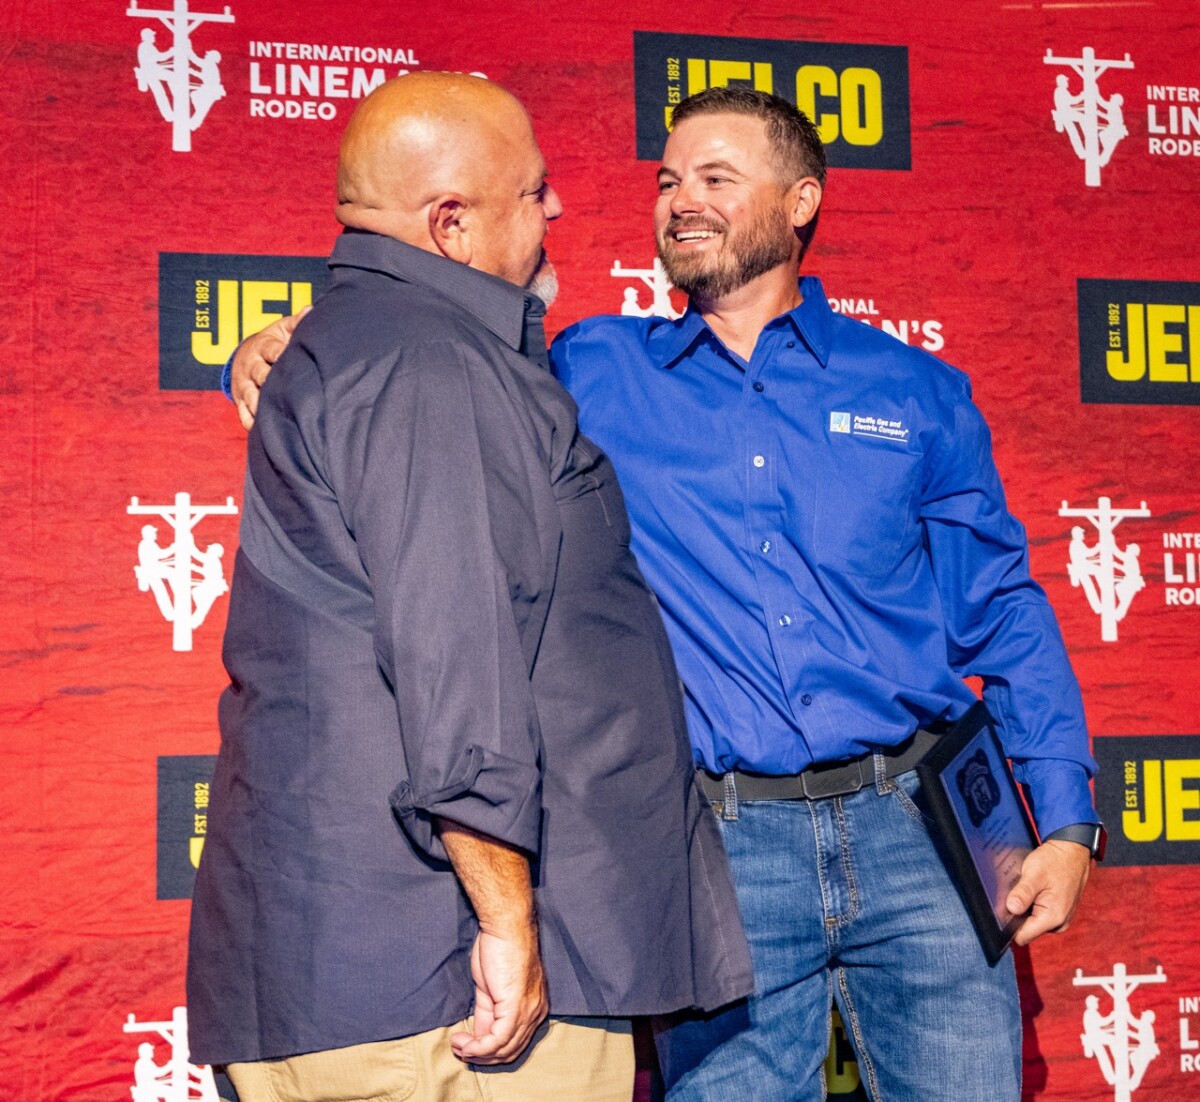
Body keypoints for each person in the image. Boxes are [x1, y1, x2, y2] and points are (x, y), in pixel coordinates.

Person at [229, 87, 1104, 1101]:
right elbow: (416, 347)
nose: (681, 200)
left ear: (802, 200)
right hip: (724, 849)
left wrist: (1069, 819)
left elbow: (1003, 604)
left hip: (922, 837)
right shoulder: (587, 369)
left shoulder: (913, 389)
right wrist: (277, 351)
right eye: (668, 180)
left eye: (717, 178)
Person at [189, 72, 751, 1102]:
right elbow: (457, 663)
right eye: (534, 191)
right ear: (449, 223)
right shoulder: (432, 367)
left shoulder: (363, 345)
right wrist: (506, 922)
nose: (558, 210)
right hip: (442, 986)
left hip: (363, 973)